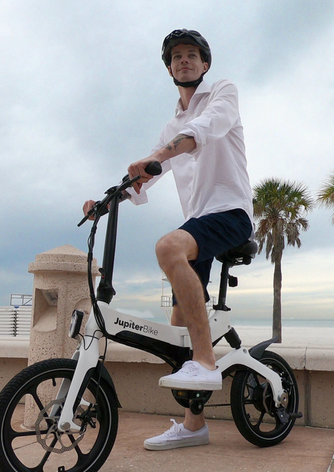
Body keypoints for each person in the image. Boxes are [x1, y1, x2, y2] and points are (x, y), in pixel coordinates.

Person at [83, 29, 254, 450]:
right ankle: (194, 426)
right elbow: (145, 177)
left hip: (230, 213)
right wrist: (108, 201)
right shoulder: (170, 125)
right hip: (198, 222)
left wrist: (159, 157)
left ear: (205, 64)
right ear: (169, 68)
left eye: (192, 55)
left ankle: (208, 361)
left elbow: (203, 130)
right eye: (177, 57)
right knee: (178, 331)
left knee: (166, 246)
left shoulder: (222, 93)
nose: (184, 61)